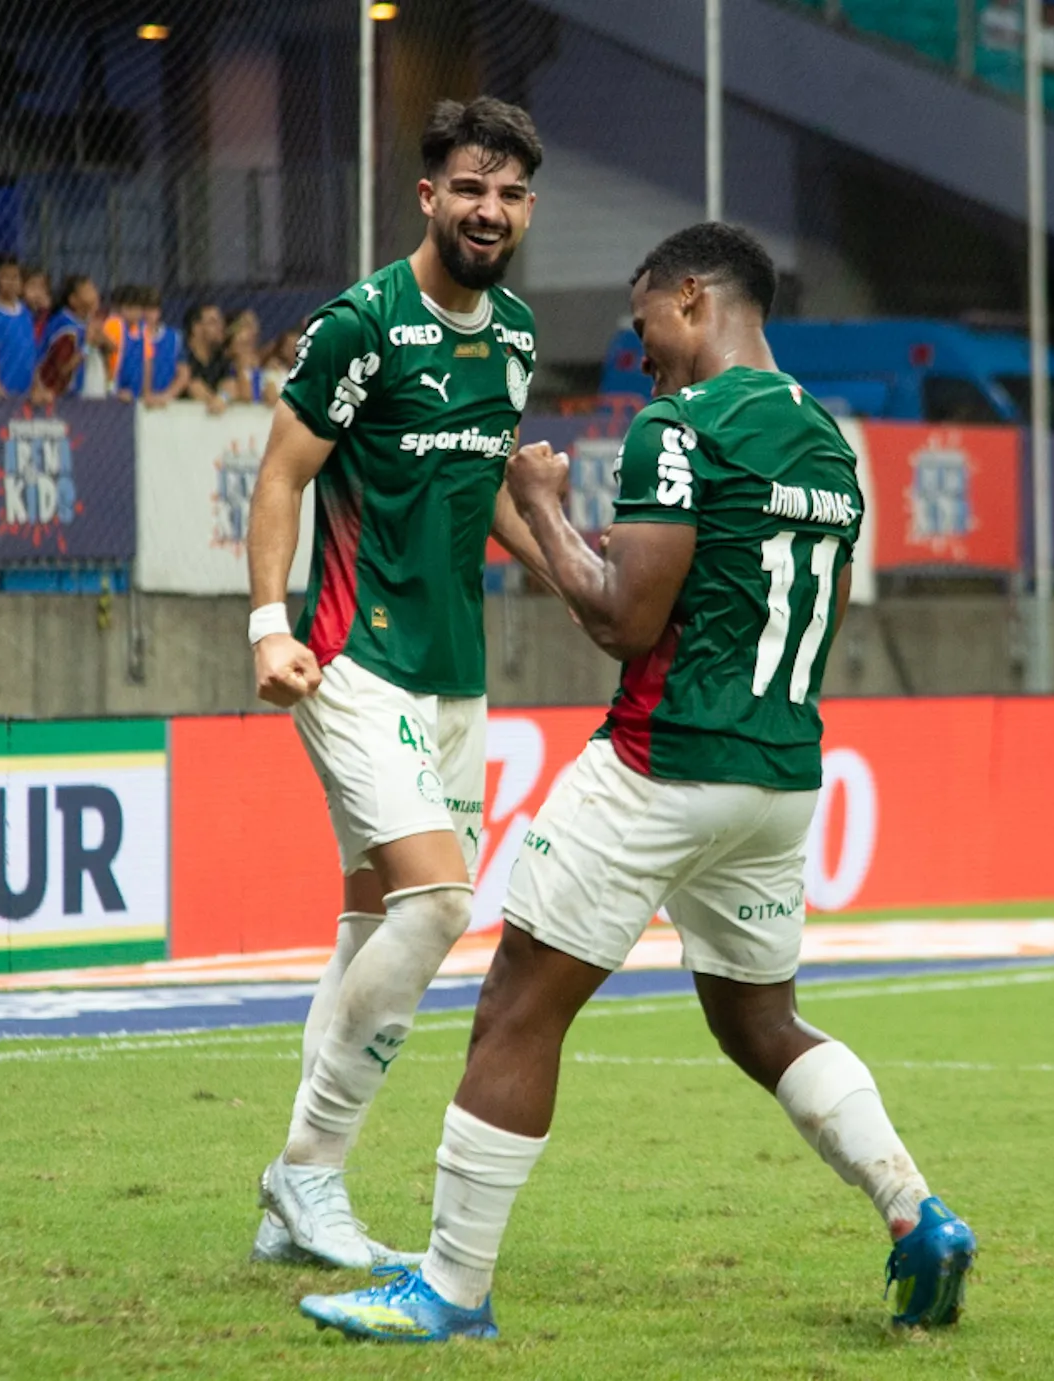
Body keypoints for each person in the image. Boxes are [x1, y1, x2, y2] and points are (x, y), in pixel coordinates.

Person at [298, 223, 976, 1345]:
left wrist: (545, 506)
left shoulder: (683, 426)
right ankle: (917, 1213)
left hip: (663, 763)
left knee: (517, 1002)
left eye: (646, 321)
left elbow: (621, 618)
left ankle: (450, 1290)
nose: (640, 351)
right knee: (759, 1018)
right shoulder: (826, 438)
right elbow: (828, 612)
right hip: (779, 773)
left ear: (695, 298)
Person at [241, 95, 554, 1273]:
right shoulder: (360, 325)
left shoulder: (514, 336)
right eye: (469, 188)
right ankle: (310, 1170)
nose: (490, 210)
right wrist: (269, 627)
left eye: (511, 192)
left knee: (376, 914)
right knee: (436, 905)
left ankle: (290, 1196)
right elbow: (279, 476)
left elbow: (481, 498)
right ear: (427, 196)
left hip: (453, 674)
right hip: (349, 657)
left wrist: (578, 583)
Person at [32, 274, 105, 402]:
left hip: (73, 396)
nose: (95, 294)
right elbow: (64, 368)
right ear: (73, 300)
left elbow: (112, 347)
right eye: (88, 291)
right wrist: (87, 345)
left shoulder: (84, 322)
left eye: (94, 288)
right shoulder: (65, 327)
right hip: (51, 394)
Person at [0, 254, 38, 397]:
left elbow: (31, 353)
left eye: (15, 277)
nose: (12, 282)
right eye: (6, 277)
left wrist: (36, 384)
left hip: (26, 393)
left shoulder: (26, 313)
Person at [174, 301, 231, 414]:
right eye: (213, 322)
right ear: (196, 328)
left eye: (220, 321)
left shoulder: (220, 359)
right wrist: (213, 400)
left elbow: (230, 386)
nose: (220, 327)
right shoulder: (182, 356)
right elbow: (194, 387)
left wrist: (222, 399)